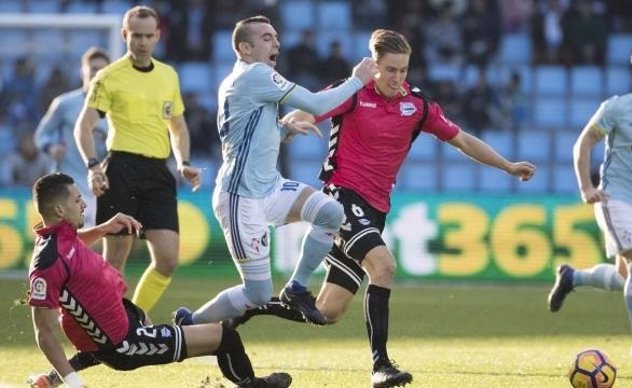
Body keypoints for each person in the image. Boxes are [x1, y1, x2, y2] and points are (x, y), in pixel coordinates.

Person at [230, 29, 537, 388]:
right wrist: (293, 122)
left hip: (376, 209)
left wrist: (507, 166)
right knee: (384, 265)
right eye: (390, 70)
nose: (398, 78)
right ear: (372, 65)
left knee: (328, 311)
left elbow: (462, 139)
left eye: (404, 70)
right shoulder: (353, 92)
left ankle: (246, 307)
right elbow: (312, 108)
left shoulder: (417, 105)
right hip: (341, 198)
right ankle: (381, 365)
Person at [172, 15, 376, 327]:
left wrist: (281, 131)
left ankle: (295, 288)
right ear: (245, 48)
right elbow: (316, 105)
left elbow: (243, 133)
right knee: (257, 294)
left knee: (331, 213)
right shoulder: (256, 75)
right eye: (266, 38)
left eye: (276, 38)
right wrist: (357, 80)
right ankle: (191, 324)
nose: (276, 43)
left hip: (269, 187)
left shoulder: (244, 79)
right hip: (241, 198)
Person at [26, 173, 292, 388]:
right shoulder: (47, 262)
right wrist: (76, 384)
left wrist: (104, 228)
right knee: (226, 338)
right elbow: (44, 332)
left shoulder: (59, 238)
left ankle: (51, 378)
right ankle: (252, 385)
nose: (83, 204)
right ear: (60, 209)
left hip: (122, 321)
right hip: (126, 344)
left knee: (103, 344)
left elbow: (69, 248)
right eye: (77, 200)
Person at [547, 44, 632, 358]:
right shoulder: (616, 108)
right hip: (613, 198)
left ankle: (571, 277)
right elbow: (582, 145)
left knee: (625, 276)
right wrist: (587, 187)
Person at [74, 5, 202, 314]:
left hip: (158, 171)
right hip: (122, 169)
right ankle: (107, 327)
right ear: (124, 35)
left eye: (148, 36)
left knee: (168, 259)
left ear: (158, 36)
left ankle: (135, 319)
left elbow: (178, 125)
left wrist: (183, 160)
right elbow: (84, 126)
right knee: (116, 259)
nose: (142, 42)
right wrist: (93, 166)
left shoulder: (168, 75)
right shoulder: (108, 77)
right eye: (136, 36)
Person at [35, 47, 110, 227]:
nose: (97, 73)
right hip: (67, 183)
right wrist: (50, 147)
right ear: (82, 71)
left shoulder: (115, 108)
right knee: (66, 239)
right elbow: (41, 134)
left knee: (94, 244)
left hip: (100, 184)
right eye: (93, 68)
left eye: (102, 70)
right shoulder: (65, 104)